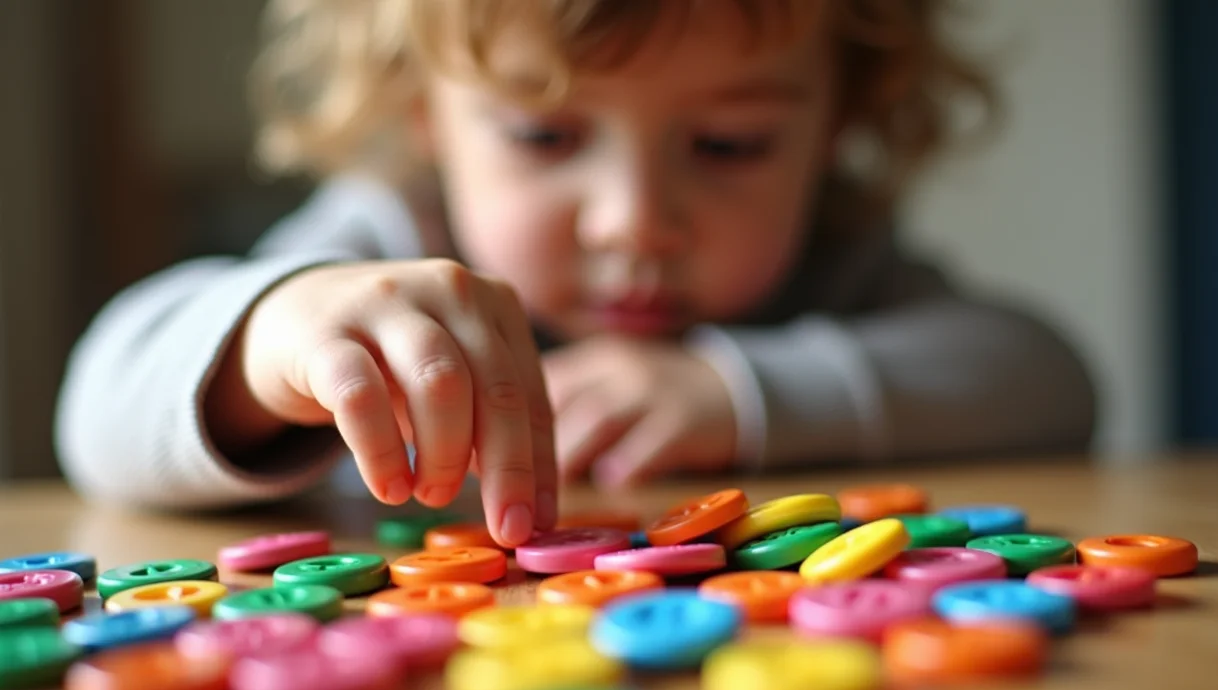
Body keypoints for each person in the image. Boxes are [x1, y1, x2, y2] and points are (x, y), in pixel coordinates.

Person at [54, 0, 1097, 548]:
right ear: (424, 114)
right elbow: (98, 405)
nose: (633, 222)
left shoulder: (832, 269)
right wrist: (270, 339)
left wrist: (736, 392)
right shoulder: (385, 245)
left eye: (729, 145)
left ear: (836, 127)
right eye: (545, 136)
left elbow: (1048, 376)